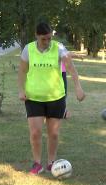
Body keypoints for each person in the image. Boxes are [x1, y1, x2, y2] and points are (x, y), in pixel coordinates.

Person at [18, 22, 85, 174]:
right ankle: (37, 163)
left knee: (53, 133)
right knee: (35, 133)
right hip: (34, 97)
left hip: (56, 97)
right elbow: (22, 71)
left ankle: (51, 163)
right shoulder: (28, 49)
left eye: (49, 38)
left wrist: (78, 87)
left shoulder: (58, 47)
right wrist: (21, 90)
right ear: (36, 36)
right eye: (43, 39)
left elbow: (70, 67)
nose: (47, 42)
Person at [61, 52, 84, 119]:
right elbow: (68, 54)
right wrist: (78, 56)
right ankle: (63, 112)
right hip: (60, 73)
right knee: (62, 93)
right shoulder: (57, 47)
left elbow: (68, 54)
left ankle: (62, 111)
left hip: (59, 73)